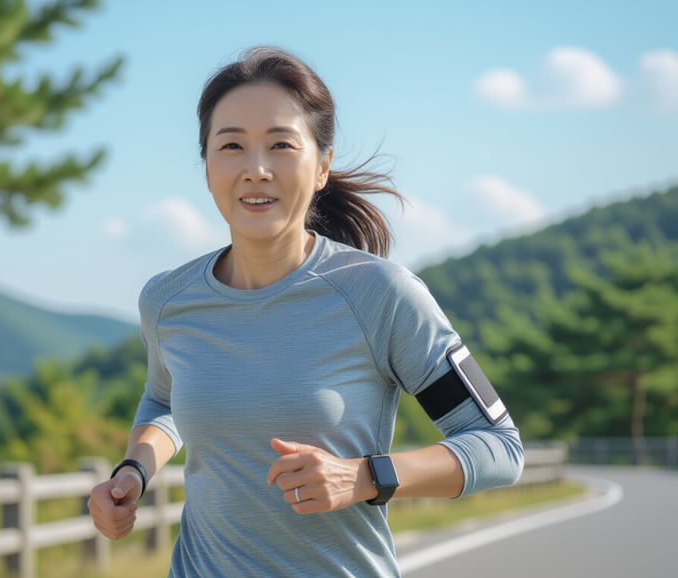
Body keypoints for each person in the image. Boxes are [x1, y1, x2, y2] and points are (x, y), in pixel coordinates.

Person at [87, 45, 524, 577]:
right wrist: (134, 470)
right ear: (206, 166)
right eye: (231, 146)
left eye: (281, 145)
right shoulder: (167, 300)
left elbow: (499, 447)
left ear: (321, 166)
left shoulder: (378, 294)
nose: (256, 169)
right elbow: (164, 398)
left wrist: (365, 476)